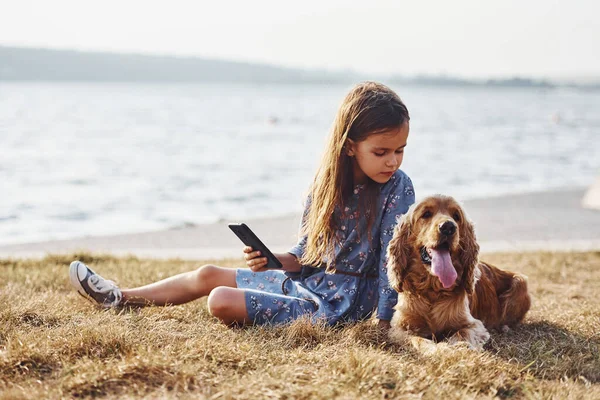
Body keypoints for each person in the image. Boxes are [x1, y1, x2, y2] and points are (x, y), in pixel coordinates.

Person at [69, 81, 415, 329]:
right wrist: (272, 260)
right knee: (207, 274)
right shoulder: (324, 186)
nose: (392, 162)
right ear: (350, 145)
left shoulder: (397, 187)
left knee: (220, 299)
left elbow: (392, 261)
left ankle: (124, 298)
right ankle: (120, 297)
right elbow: (305, 256)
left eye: (399, 150)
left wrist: (384, 323)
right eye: (381, 152)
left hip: (343, 305)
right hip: (308, 284)